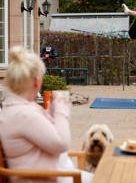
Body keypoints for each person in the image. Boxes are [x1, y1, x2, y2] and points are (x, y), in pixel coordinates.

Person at [0, 46, 92, 183]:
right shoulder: (23, 114)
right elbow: (61, 143)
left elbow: (40, 131)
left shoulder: (16, 107)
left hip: (48, 174)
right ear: (37, 81)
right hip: (47, 178)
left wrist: (50, 111)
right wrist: (62, 108)